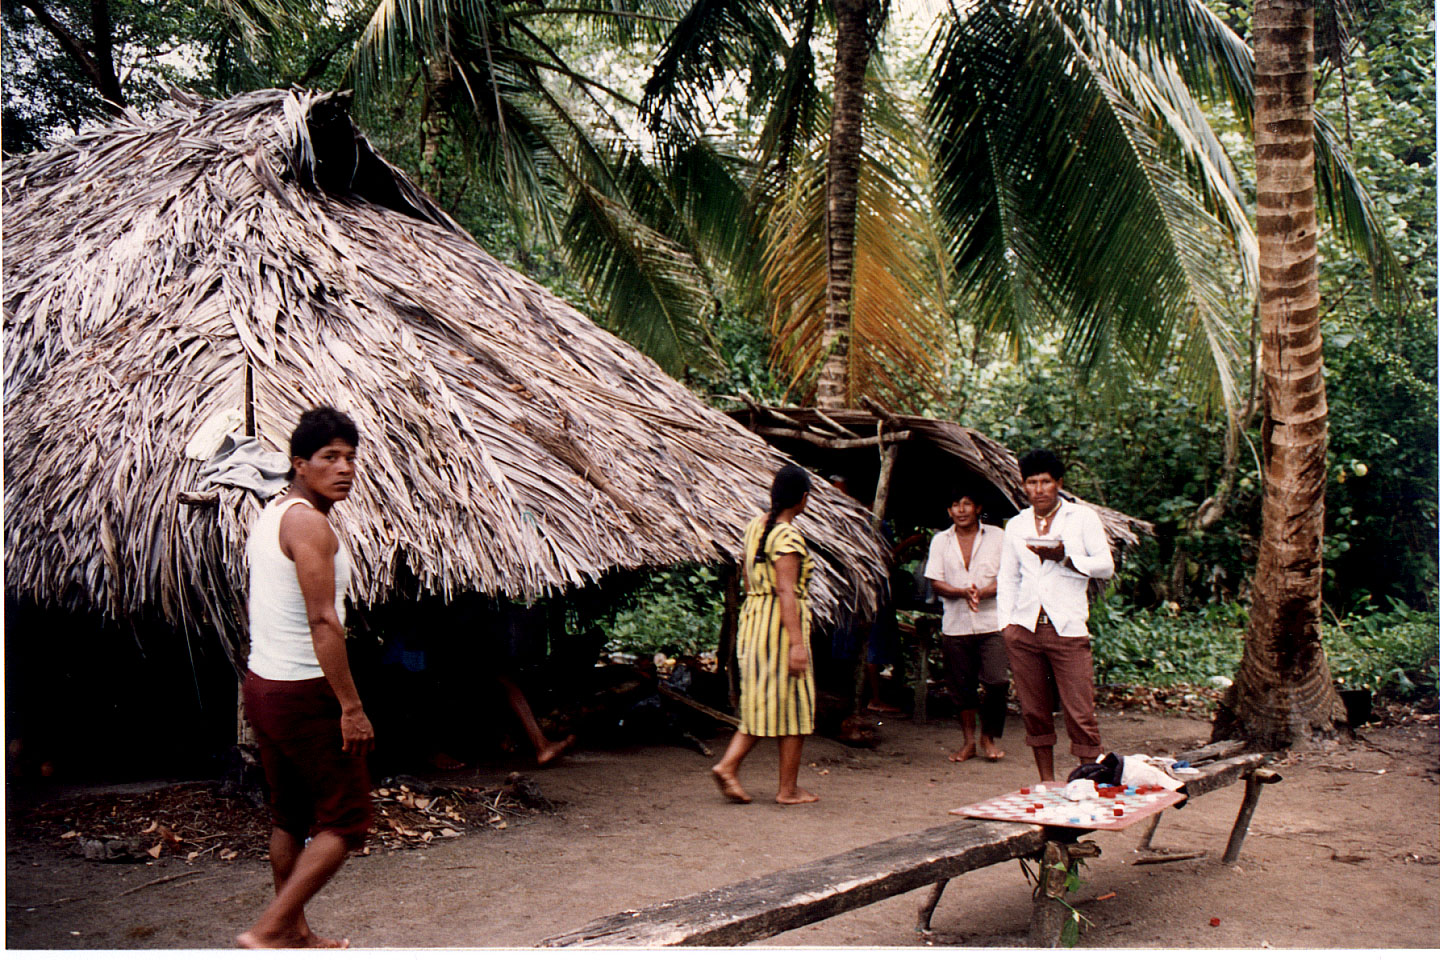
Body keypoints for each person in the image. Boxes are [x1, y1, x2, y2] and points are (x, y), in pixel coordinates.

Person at [238, 407, 373, 949]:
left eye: (350, 458)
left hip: (264, 684)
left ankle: (292, 932)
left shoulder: (274, 515)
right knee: (346, 820)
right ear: (299, 464)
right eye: (329, 458)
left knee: (289, 816)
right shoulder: (309, 524)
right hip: (302, 688)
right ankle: (269, 929)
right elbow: (323, 620)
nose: (344, 469)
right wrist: (352, 706)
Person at [996, 449, 1114, 782]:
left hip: (1067, 628)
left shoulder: (1082, 518)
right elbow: (1008, 578)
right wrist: (1006, 626)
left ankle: (1084, 783)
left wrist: (1065, 556)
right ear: (1024, 487)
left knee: (1080, 711)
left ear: (1058, 483)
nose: (1039, 489)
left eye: (1046, 481)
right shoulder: (1017, 525)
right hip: (1025, 629)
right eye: (1032, 482)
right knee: (1034, 710)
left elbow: (1105, 566)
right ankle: (1047, 783)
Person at [709, 464, 819, 805]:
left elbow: (745, 576)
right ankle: (781, 786)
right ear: (803, 499)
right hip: (779, 626)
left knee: (765, 701)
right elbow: (787, 592)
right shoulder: (787, 537)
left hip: (755, 620)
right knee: (797, 703)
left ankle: (736, 768)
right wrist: (797, 644)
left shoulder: (755, 527)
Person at [924, 485, 1008, 762]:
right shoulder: (941, 541)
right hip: (956, 623)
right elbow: (935, 581)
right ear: (949, 511)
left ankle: (989, 737)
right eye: (955, 505)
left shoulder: (997, 537)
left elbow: (1008, 577)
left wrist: (983, 592)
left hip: (992, 621)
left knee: (997, 680)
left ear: (978, 508)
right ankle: (968, 741)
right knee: (961, 685)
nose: (961, 510)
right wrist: (961, 592)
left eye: (966, 504)